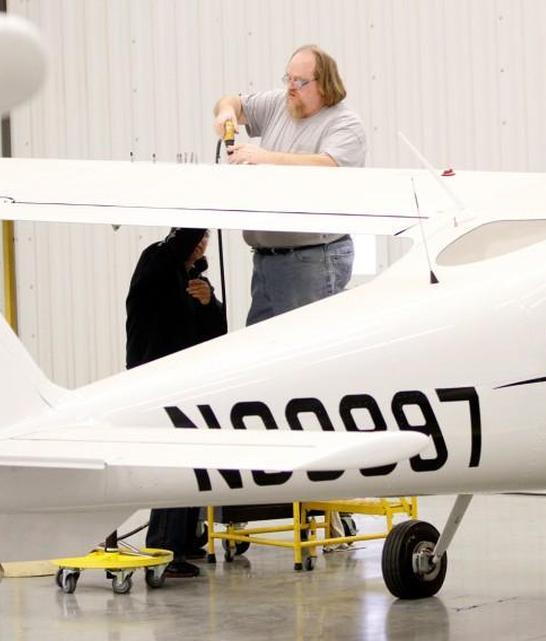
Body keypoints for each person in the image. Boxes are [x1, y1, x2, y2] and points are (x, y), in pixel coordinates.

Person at [212, 44, 367, 326]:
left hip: (311, 260)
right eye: (288, 78)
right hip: (267, 260)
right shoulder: (281, 104)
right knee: (263, 350)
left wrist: (265, 158)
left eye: (300, 81)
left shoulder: (345, 124)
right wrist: (227, 113)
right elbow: (234, 101)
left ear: (325, 84)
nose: (291, 87)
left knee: (306, 350)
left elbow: (329, 166)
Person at [125, 227, 226, 577]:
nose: (201, 244)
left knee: (193, 462)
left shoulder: (196, 279)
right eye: (196, 238)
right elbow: (182, 241)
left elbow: (217, 334)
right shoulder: (157, 260)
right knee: (176, 464)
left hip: (187, 383)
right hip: (156, 381)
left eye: (206, 239)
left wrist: (209, 303)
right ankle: (163, 549)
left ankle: (185, 541)